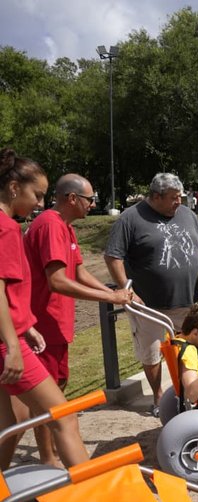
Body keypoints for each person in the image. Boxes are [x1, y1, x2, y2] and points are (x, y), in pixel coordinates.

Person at [23, 173, 131, 466]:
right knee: (48, 397)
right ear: (72, 199)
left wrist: (116, 291)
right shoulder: (49, 225)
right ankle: (48, 457)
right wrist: (111, 299)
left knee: (59, 387)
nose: (93, 204)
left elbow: (79, 272)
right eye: (89, 199)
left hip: (58, 325)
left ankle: (52, 453)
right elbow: (57, 281)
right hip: (43, 325)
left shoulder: (66, 228)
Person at [0, 148, 90, 469]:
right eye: (36, 194)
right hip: (8, 345)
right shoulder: (8, 227)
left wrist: (25, 326)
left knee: (11, 422)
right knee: (64, 417)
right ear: (14, 189)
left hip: (17, 334)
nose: (39, 203)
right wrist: (13, 343)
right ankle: (91, 493)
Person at [105, 173, 198, 417]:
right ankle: (159, 396)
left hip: (187, 300)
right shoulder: (130, 219)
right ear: (155, 196)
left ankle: (189, 391)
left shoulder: (188, 216)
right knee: (151, 352)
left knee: (189, 349)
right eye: (173, 198)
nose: (178, 203)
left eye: (180, 198)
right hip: (148, 304)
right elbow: (113, 256)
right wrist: (126, 288)